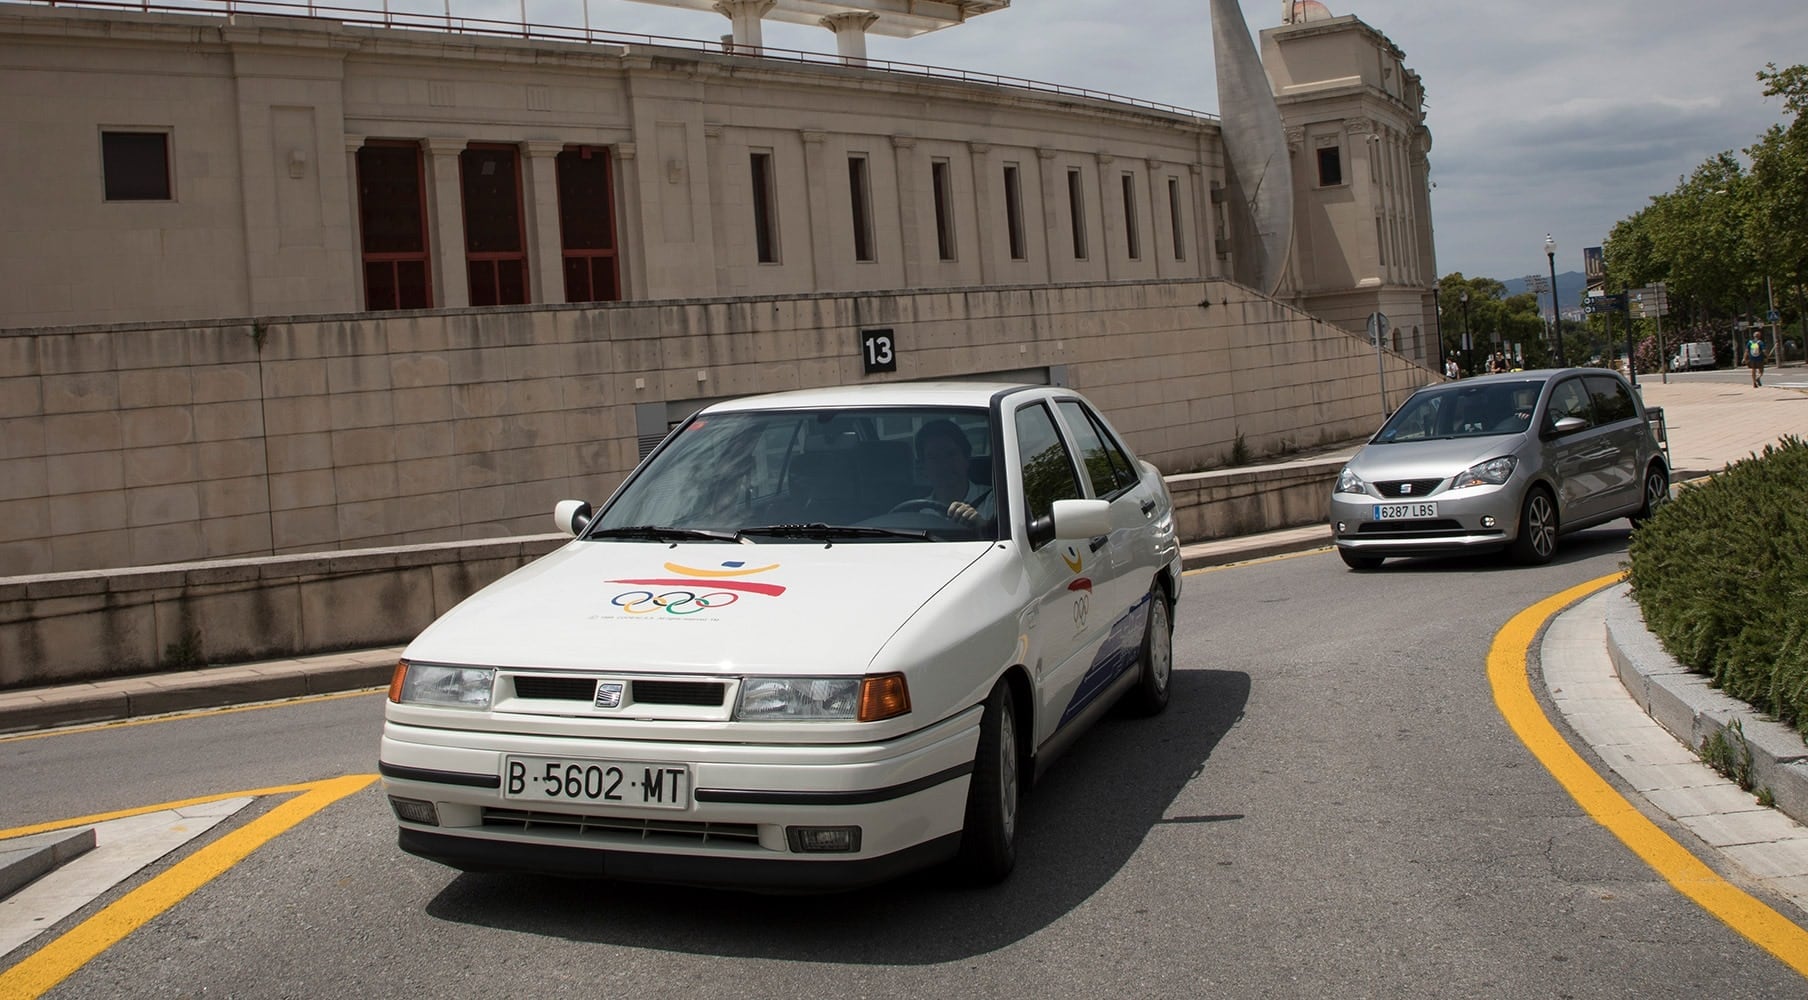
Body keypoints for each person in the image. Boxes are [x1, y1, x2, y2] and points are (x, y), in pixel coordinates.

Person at [913, 419, 993, 525]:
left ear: (966, 458)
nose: (944, 465)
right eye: (934, 457)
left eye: (951, 454)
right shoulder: (916, 512)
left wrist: (983, 527)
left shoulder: (994, 501)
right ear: (923, 467)